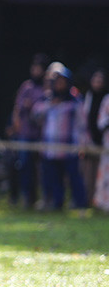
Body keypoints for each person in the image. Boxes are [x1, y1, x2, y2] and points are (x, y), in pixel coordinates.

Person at [32, 62, 87, 210]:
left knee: (74, 177)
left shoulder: (75, 100)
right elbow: (35, 116)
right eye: (57, 81)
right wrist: (50, 104)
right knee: (53, 179)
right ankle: (57, 204)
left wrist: (83, 144)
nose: (60, 84)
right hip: (50, 147)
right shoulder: (47, 99)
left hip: (70, 147)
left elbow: (82, 124)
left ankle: (80, 204)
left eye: (63, 81)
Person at [10, 53, 49, 209]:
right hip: (24, 135)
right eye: (34, 67)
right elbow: (17, 109)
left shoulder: (47, 89)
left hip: (41, 136)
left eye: (38, 68)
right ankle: (26, 197)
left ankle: (41, 199)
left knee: (40, 169)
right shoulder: (26, 87)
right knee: (23, 165)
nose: (35, 70)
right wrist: (16, 129)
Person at [81, 68, 106, 205]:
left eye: (100, 81)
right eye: (95, 80)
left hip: (104, 142)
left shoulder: (106, 98)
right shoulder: (88, 97)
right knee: (88, 172)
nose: (98, 83)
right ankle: (88, 200)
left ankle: (102, 202)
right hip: (89, 140)